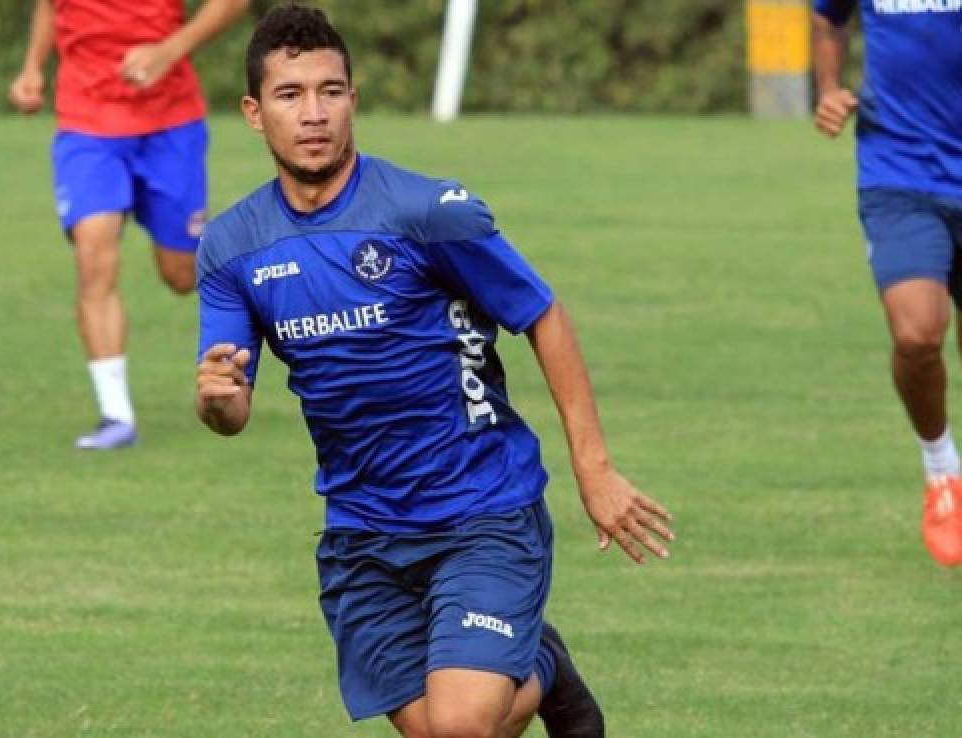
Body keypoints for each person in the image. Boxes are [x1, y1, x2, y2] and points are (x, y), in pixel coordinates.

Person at [194, 5, 674, 737]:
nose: (315, 113)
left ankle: (532, 668)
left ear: (354, 98)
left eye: (331, 90)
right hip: (363, 527)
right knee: (432, 729)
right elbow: (231, 411)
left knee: (460, 729)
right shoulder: (233, 246)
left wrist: (595, 468)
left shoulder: (428, 211)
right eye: (291, 96)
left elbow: (542, 314)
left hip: (484, 507)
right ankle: (542, 664)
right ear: (255, 114)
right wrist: (216, 399)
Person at [9, 0, 249, 449]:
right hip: (87, 124)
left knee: (181, 275)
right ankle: (116, 417)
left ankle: (243, 254)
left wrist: (170, 50)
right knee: (93, 254)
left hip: (170, 121)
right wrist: (32, 68)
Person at [812, 0, 962, 565]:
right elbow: (828, 18)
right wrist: (828, 87)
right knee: (919, 335)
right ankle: (942, 468)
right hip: (898, 171)